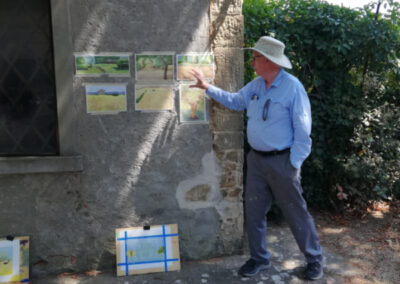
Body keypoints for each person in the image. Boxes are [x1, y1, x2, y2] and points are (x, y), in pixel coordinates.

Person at [190, 36, 324, 280]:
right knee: (254, 212)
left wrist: (294, 163)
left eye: (255, 58)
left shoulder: (292, 88)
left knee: (296, 212)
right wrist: (207, 87)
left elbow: (303, 131)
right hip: (257, 161)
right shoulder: (256, 85)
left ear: (269, 61)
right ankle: (259, 259)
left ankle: (314, 260)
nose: (252, 62)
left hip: (283, 162)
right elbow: (235, 101)